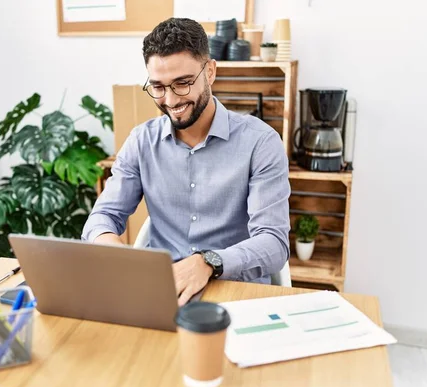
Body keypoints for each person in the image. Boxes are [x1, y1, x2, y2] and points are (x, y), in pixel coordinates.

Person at [82, 18, 290, 306]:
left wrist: (208, 262)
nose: (170, 100)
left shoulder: (261, 143)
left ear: (211, 71)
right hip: (161, 294)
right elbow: (101, 218)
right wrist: (118, 254)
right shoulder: (142, 142)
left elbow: (274, 244)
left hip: (235, 296)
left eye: (182, 83)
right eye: (158, 87)